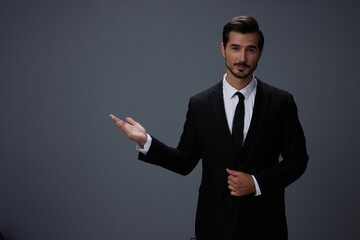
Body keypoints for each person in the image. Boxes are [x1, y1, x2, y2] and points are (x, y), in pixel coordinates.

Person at [110, 16, 308, 240]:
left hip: (265, 226)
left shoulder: (281, 102)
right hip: (214, 226)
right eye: (235, 48)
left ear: (260, 52)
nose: (242, 58)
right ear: (223, 49)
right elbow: (185, 161)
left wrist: (255, 183)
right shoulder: (200, 104)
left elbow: (298, 160)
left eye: (250, 50)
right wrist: (146, 142)